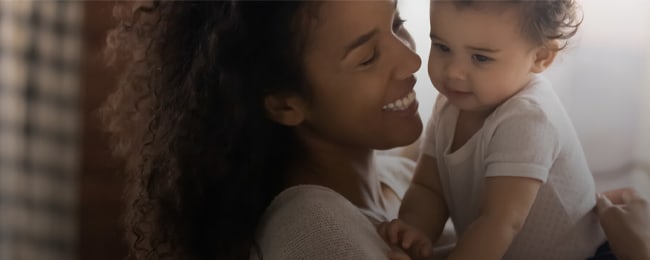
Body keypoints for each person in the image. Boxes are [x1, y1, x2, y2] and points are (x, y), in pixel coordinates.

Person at [101, 0, 650, 259]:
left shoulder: (393, 175)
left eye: (398, 25)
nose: (413, 63)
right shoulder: (311, 228)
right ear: (287, 104)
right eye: (367, 56)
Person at [379, 1, 611, 259]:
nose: (454, 72)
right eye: (443, 47)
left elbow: (500, 221)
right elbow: (428, 189)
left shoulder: (527, 118)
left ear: (540, 57)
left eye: (480, 57)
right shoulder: (449, 105)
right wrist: (414, 233)